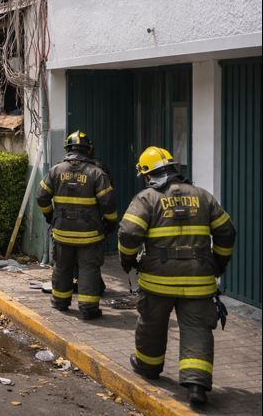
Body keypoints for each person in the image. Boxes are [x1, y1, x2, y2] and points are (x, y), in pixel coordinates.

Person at [118, 146, 236, 406]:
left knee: (152, 324)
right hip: (199, 280)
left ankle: (148, 367)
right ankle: (196, 385)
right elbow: (227, 231)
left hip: (157, 281)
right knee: (197, 329)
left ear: (148, 174)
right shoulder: (203, 196)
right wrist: (218, 262)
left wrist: (127, 260)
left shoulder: (147, 198)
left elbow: (128, 234)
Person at [36, 131, 117, 320]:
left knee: (62, 266)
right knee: (89, 268)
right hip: (89, 234)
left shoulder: (56, 170)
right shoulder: (97, 173)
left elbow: (41, 197)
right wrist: (110, 222)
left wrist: (50, 216)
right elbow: (108, 203)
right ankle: (88, 309)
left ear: (68, 149)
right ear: (88, 150)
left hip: (62, 232)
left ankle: (60, 302)